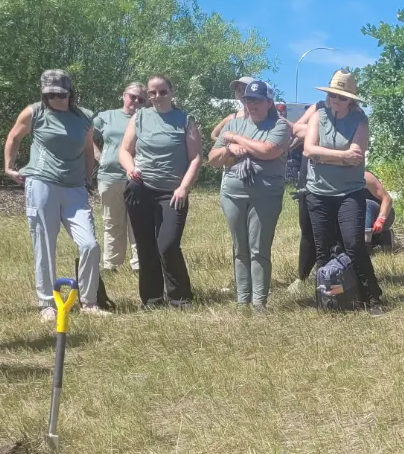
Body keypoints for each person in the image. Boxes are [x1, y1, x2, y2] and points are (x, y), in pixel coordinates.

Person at [5, 70, 107, 320]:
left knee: (90, 245)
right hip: (42, 183)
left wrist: (88, 179)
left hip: (75, 188)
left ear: (70, 93)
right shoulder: (34, 112)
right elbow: (14, 136)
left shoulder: (84, 117)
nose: (55, 99)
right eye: (49, 94)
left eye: (60, 94)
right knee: (44, 244)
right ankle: (47, 303)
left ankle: (89, 301)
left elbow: (88, 151)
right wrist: (9, 167)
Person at [299, 70, 385, 314]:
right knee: (322, 249)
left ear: (351, 100)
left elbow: (356, 156)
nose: (336, 100)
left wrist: (323, 156)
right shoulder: (318, 116)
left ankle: (372, 297)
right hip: (318, 192)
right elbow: (308, 150)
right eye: (333, 96)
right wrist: (342, 156)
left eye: (342, 97)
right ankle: (329, 300)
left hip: (350, 193)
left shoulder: (360, 120)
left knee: (353, 245)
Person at [119, 75, 202, 309]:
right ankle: (152, 299)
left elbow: (196, 158)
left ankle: (180, 298)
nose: (157, 96)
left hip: (172, 193)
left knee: (167, 245)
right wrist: (130, 168)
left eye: (163, 92)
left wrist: (184, 187)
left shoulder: (185, 120)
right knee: (145, 246)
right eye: (152, 93)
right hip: (141, 189)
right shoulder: (139, 117)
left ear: (171, 93)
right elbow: (124, 150)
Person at [210, 78, 291, 309]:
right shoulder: (233, 123)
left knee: (259, 249)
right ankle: (242, 300)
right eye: (248, 100)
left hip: (265, 195)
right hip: (233, 194)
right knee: (240, 249)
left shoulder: (280, 126)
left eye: (257, 100)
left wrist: (236, 139)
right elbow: (213, 159)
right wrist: (228, 149)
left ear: (269, 102)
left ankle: (259, 303)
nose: (252, 104)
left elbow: (268, 151)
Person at [92, 82, 146, 273]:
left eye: (141, 99)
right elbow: (85, 134)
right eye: (132, 96)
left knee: (138, 222)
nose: (136, 101)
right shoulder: (107, 116)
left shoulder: (147, 119)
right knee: (112, 221)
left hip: (138, 178)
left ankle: (139, 264)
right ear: (124, 96)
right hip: (110, 176)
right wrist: (98, 155)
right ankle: (111, 264)